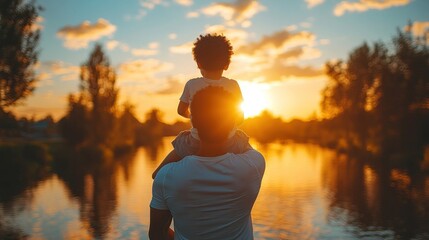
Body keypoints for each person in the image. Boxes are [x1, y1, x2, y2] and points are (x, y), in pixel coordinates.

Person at [149, 86, 265, 240]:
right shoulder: (253, 165)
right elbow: (244, 144)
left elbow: (157, 235)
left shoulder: (166, 176)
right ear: (232, 122)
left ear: (193, 122)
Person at [151, 33, 251, 179]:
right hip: (230, 143)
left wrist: (196, 117)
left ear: (198, 63)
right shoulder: (233, 85)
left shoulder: (192, 84)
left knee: (159, 171)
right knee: (249, 149)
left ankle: (158, 173)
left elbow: (181, 111)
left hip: (196, 142)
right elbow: (240, 118)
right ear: (227, 64)